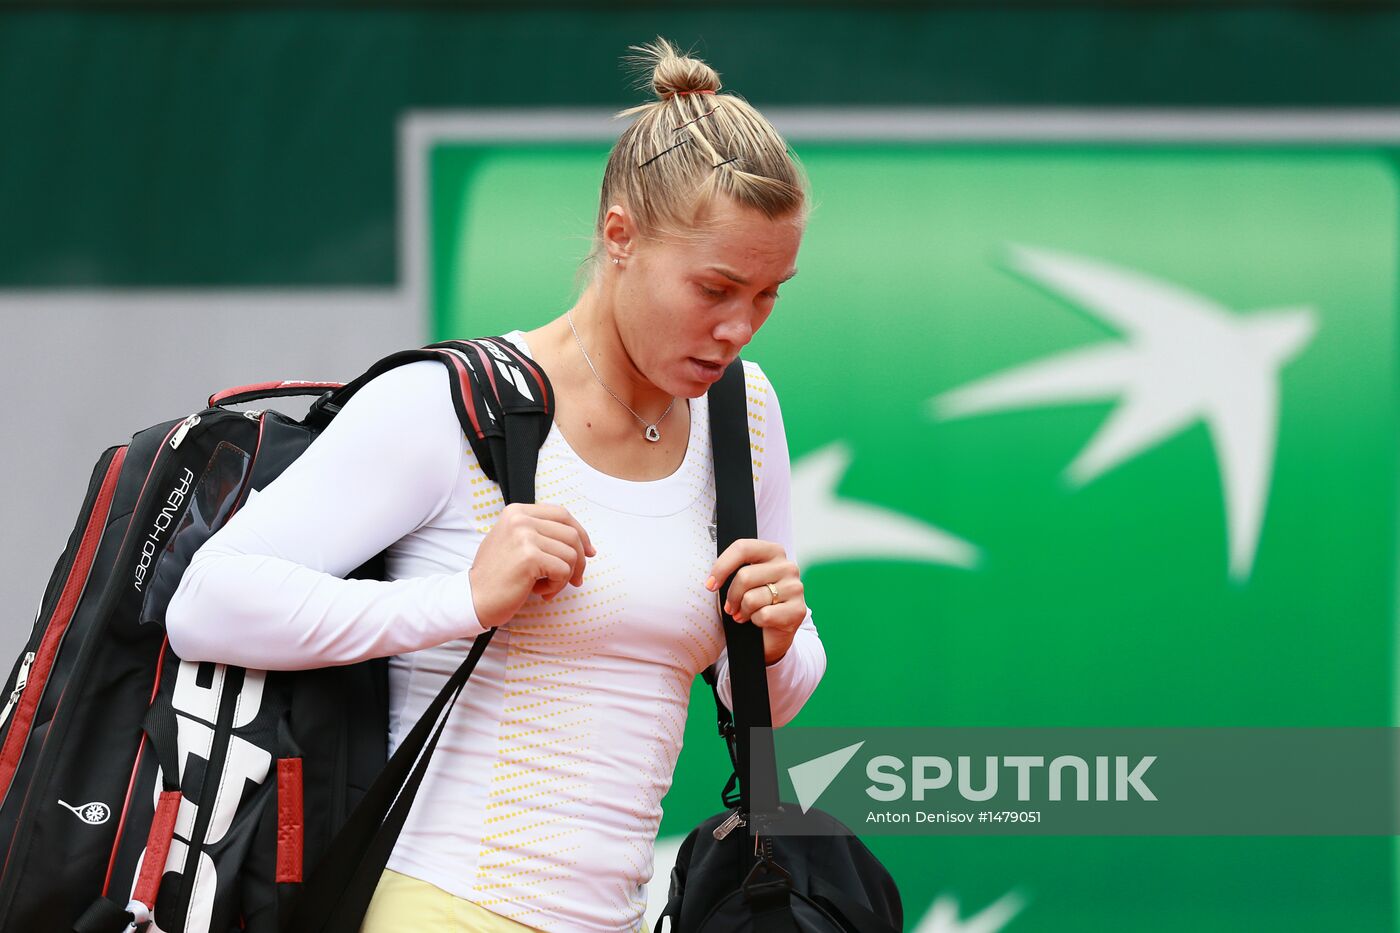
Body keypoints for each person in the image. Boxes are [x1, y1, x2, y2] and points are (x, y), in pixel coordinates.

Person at [165, 37, 825, 933]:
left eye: (769, 294)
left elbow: (763, 705)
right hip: (436, 903)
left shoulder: (745, 413)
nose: (739, 326)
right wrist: (464, 599)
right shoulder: (447, 404)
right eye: (716, 288)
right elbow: (207, 601)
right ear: (620, 237)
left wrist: (775, 644)